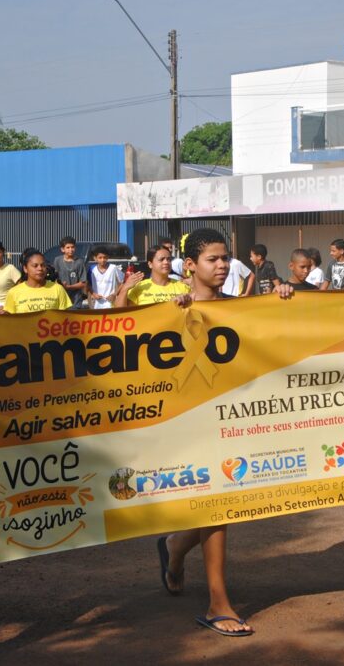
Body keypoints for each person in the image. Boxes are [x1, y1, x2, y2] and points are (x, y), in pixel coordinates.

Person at [159, 228, 254, 637]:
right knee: (217, 505)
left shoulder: (242, 307)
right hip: (188, 420)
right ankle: (218, 603)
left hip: (233, 417)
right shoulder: (170, 309)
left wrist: (285, 298)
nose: (222, 265)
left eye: (225, 258)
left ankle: (175, 547)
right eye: (213, 259)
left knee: (221, 503)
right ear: (190, 265)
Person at [0, 248, 73, 314]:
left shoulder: (58, 289)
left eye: (43, 265)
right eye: (35, 266)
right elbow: (10, 320)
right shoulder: (13, 293)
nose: (40, 268)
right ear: (25, 269)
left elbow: (65, 317)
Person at [115, 245, 191, 307]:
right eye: (161, 259)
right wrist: (125, 288)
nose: (166, 262)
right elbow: (120, 312)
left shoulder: (183, 287)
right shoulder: (139, 287)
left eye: (169, 259)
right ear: (150, 264)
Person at [52, 236, 87, 308]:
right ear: (62, 249)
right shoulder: (57, 260)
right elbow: (54, 278)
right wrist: (59, 284)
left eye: (72, 247)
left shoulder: (79, 262)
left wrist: (69, 287)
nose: (70, 250)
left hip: (76, 299)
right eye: (68, 247)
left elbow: (83, 283)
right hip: (61, 296)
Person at [86, 244, 124, 309]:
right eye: (100, 258)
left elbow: (122, 283)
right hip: (96, 303)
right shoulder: (92, 269)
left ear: (108, 257)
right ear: (95, 258)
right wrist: (93, 294)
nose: (103, 260)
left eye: (105, 257)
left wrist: (114, 294)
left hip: (110, 302)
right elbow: (88, 284)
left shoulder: (113, 268)